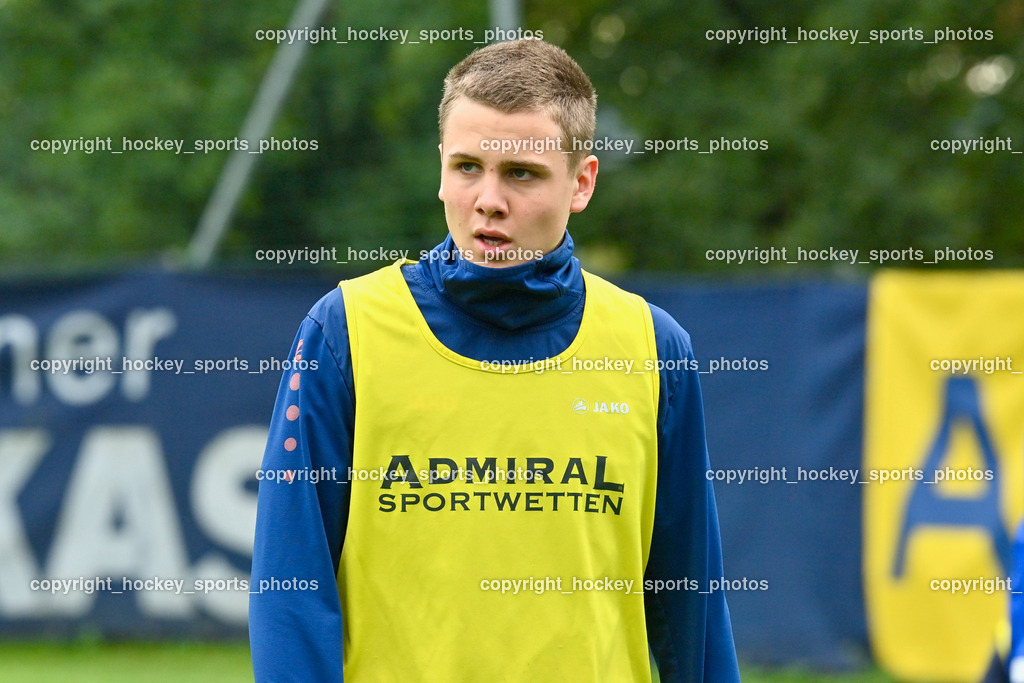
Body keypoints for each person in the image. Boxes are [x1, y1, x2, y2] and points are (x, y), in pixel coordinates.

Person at [249, 37, 740, 681]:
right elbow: (290, 585)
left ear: (582, 182)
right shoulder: (345, 330)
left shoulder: (653, 348)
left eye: (522, 173)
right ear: (440, 169)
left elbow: (691, 601)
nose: (488, 200)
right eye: (467, 167)